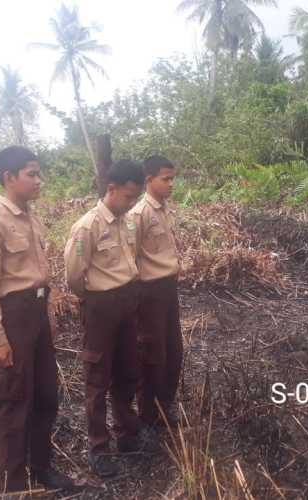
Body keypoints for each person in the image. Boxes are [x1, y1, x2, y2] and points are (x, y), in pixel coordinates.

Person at [0, 146, 76, 495]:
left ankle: (42, 467)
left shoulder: (31, 219)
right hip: (12, 319)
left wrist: (47, 318)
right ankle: (13, 483)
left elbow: (39, 278)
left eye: (38, 173)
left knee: (46, 395)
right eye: (32, 174)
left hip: (37, 316)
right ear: (9, 178)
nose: (38, 180)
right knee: (14, 401)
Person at [64, 159, 159, 479]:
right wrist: (94, 299)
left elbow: (131, 259)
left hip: (127, 301)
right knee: (97, 378)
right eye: (128, 197)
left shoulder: (127, 222)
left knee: (127, 371)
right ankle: (98, 447)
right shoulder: (87, 226)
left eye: (136, 198)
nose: (132, 204)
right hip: (100, 306)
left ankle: (126, 434)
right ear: (112, 189)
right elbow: (74, 276)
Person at [130, 155, 183, 430]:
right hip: (148, 292)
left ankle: (164, 407)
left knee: (174, 351)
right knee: (153, 354)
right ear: (148, 180)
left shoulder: (163, 209)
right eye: (166, 179)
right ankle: (148, 415)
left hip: (167, 289)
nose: (171, 184)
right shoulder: (140, 214)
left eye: (173, 178)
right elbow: (130, 256)